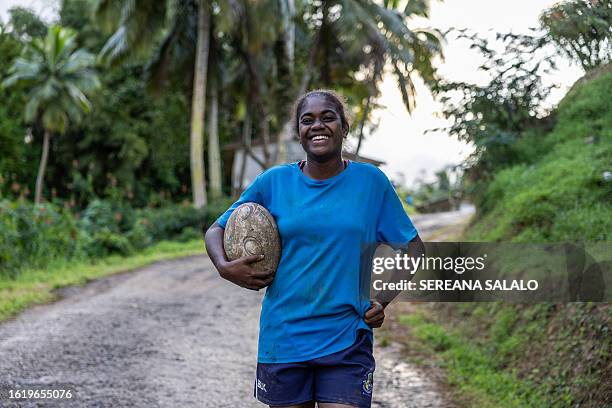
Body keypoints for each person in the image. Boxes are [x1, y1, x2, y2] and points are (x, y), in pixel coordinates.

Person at [204, 90, 423, 408]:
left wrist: (383, 300)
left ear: (344, 127)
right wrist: (224, 266)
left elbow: (413, 250)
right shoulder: (273, 182)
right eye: (308, 120)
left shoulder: (371, 183)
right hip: (284, 338)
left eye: (328, 117)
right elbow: (216, 229)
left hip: (347, 338)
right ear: (298, 131)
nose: (317, 125)